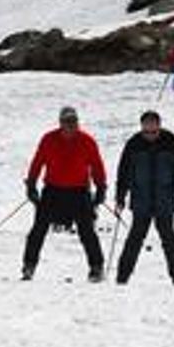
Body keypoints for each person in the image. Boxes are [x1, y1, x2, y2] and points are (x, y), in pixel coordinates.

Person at [22, 106, 107, 282]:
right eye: (66, 121)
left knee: (87, 231)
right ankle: (29, 265)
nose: (70, 125)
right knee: (38, 229)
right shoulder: (48, 139)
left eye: (73, 121)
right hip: (53, 190)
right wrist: (31, 184)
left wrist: (101, 188)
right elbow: (37, 162)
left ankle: (96, 267)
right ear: (60, 123)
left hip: (79, 191)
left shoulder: (87, 141)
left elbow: (97, 165)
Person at [114, 111, 174, 285]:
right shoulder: (133, 144)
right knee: (135, 238)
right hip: (141, 198)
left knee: (169, 238)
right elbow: (123, 172)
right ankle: (122, 276)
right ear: (142, 128)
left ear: (159, 126)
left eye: (153, 131)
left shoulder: (171, 142)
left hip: (164, 198)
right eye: (146, 132)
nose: (150, 135)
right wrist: (120, 197)